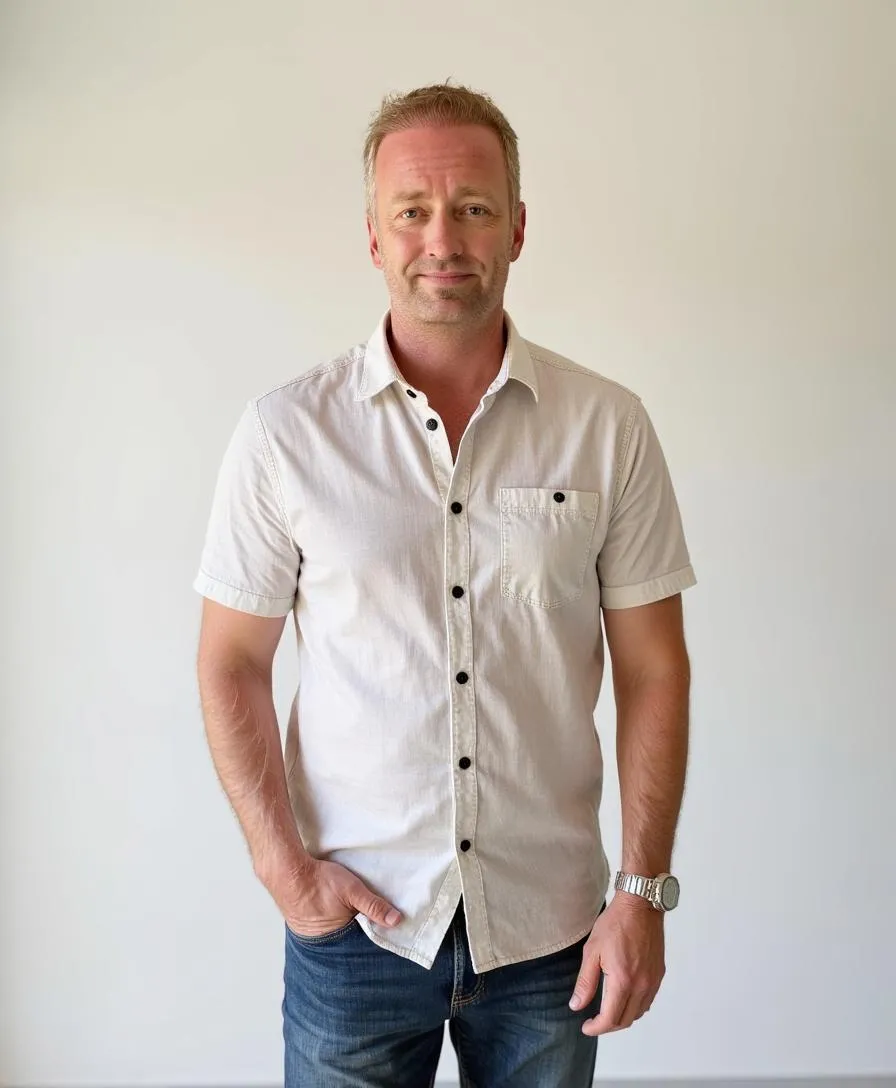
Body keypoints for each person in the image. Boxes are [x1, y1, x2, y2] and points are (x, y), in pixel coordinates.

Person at [194, 82, 696, 1088]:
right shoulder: (286, 434)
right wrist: (279, 866)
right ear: (372, 238)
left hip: (550, 931)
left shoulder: (606, 425)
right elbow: (230, 661)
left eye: (471, 206)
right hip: (356, 935)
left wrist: (640, 890)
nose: (443, 237)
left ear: (515, 226)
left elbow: (652, 667)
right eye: (411, 212)